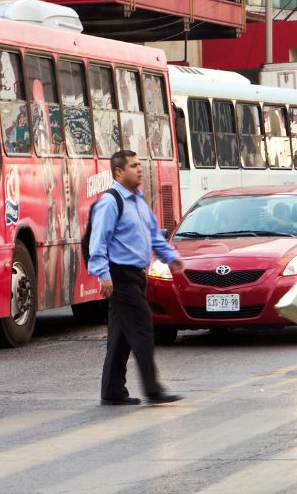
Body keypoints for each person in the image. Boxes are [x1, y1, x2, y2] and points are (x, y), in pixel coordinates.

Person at [87, 150, 185, 408]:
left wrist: (171, 257)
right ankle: (153, 389)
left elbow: (153, 236)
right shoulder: (110, 202)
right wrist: (103, 274)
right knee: (142, 329)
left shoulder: (139, 201)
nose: (140, 170)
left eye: (140, 165)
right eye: (133, 166)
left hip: (136, 276)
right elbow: (98, 242)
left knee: (120, 336)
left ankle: (112, 390)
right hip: (120, 276)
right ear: (119, 172)